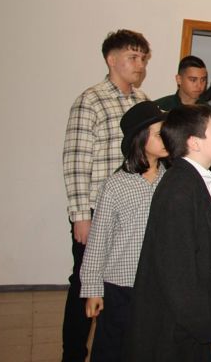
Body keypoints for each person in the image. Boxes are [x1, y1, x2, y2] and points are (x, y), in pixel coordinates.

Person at [61, 29, 150, 361]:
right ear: (111, 60)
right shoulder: (91, 100)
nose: (140, 64)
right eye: (132, 57)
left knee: (122, 287)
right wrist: (80, 217)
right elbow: (75, 161)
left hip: (133, 215)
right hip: (97, 212)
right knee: (85, 286)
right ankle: (73, 354)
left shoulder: (143, 102)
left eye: (143, 58)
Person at [126, 105, 211, 361]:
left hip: (185, 325)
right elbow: (177, 272)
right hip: (175, 331)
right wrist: (199, 323)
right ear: (194, 142)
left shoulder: (191, 181)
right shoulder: (179, 191)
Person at [79, 101, 168, 361]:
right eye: (159, 133)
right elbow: (99, 240)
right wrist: (93, 288)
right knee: (114, 348)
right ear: (140, 139)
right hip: (120, 285)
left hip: (157, 285)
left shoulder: (172, 181)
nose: (166, 138)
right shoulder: (115, 186)